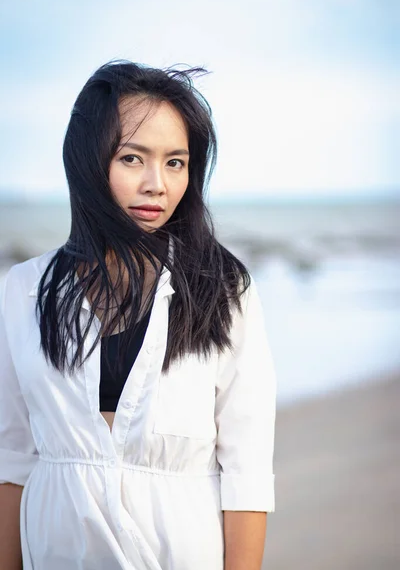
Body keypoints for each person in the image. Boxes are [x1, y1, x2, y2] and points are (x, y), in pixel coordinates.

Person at [0, 60, 277, 570]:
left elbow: (248, 470)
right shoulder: (24, 290)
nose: (157, 184)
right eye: (132, 158)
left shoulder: (225, 290)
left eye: (176, 162)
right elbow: (12, 460)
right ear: (87, 162)